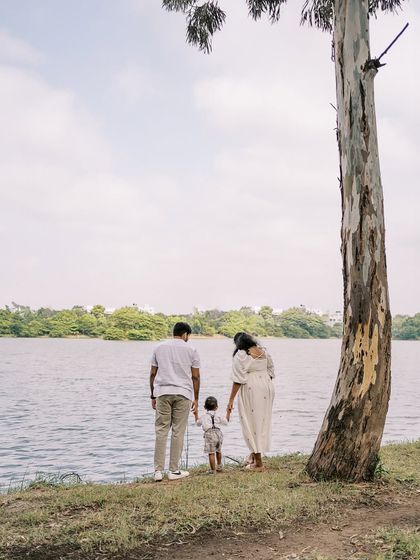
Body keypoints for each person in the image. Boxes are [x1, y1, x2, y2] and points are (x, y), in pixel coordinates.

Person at [150, 322, 200, 481]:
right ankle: (174, 470)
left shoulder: (159, 348)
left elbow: (152, 373)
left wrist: (152, 395)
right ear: (185, 334)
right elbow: (195, 376)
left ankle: (158, 471)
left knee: (161, 430)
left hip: (163, 392)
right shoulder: (191, 350)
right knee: (178, 431)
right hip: (183, 393)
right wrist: (196, 399)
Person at [226, 332, 275, 471]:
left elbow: (238, 379)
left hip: (252, 388)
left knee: (251, 422)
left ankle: (258, 464)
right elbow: (271, 371)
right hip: (267, 387)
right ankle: (253, 457)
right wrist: (263, 381)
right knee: (262, 421)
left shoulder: (241, 354)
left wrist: (230, 401)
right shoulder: (263, 351)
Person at [195, 396, 228, 474]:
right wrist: (228, 412)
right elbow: (226, 422)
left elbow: (197, 423)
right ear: (216, 407)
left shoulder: (203, 417)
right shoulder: (218, 416)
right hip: (219, 433)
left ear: (204, 407)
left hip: (210, 434)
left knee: (211, 453)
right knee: (218, 451)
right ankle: (219, 466)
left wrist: (196, 414)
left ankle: (213, 470)